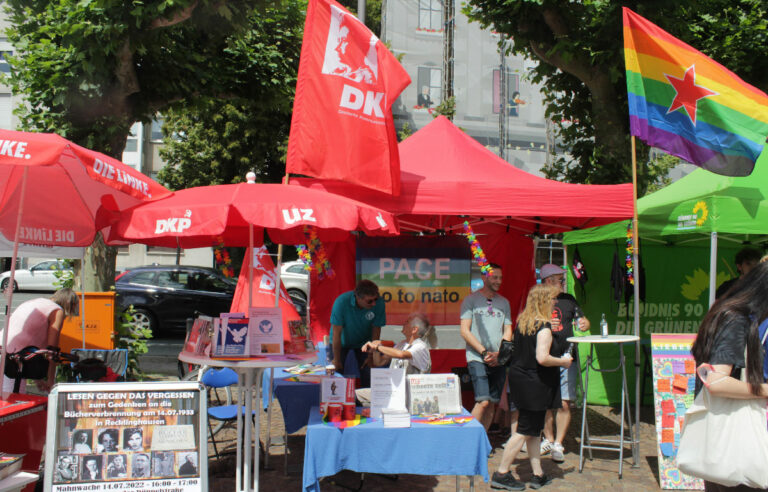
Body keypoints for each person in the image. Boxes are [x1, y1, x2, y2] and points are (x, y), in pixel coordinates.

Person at [691, 261, 768, 492]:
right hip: (734, 440)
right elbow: (716, 381)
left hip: (734, 443)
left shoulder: (739, 315)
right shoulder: (735, 318)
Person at [492, 284, 573, 490]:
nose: (556, 302)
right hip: (534, 384)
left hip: (521, 380)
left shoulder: (524, 323)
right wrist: (563, 362)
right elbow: (542, 358)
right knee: (523, 430)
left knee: (534, 430)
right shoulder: (543, 328)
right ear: (544, 301)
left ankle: (538, 474)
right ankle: (501, 473)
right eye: (553, 299)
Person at [538, 263, 590, 462]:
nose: (563, 282)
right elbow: (527, 323)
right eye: (560, 279)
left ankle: (558, 443)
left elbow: (582, 320)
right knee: (545, 403)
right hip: (545, 358)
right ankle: (548, 439)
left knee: (564, 403)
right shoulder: (537, 299)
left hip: (567, 358)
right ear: (549, 281)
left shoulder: (569, 299)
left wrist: (586, 324)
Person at [460, 263, 512, 430]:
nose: (499, 281)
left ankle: (483, 441)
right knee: (483, 401)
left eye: (500, 278)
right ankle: (469, 440)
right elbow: (465, 331)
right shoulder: (471, 300)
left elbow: (508, 330)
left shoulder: (504, 302)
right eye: (494, 277)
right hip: (477, 357)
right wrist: (483, 352)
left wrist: (501, 355)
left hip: (498, 359)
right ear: (484, 277)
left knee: (492, 404)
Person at [2, 288, 79, 393]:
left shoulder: (37, 302)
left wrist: (38, 380)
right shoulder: (57, 311)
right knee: (12, 400)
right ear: (69, 304)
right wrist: (51, 381)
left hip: (5, 347)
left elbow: (29, 348)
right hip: (12, 358)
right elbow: (52, 352)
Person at [330, 279, 386, 388]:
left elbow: (376, 329)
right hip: (341, 343)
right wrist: (336, 359)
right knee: (336, 375)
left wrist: (371, 355)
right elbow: (337, 333)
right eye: (369, 301)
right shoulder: (341, 302)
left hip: (365, 343)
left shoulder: (379, 303)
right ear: (358, 297)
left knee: (368, 373)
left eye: (375, 299)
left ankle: (366, 402)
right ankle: (338, 402)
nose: (374, 303)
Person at [362, 312, 433, 374]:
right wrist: (376, 348)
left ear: (414, 329)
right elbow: (379, 362)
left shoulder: (420, 346)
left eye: (407, 322)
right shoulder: (402, 344)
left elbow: (401, 354)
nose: (404, 324)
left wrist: (378, 347)